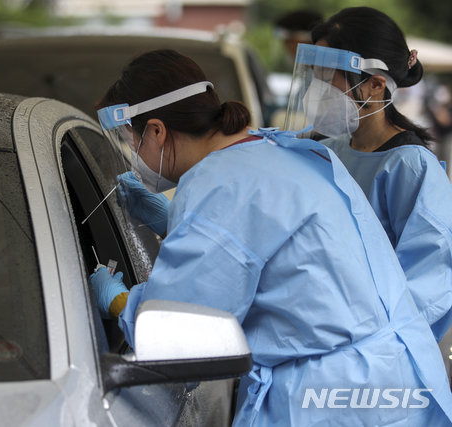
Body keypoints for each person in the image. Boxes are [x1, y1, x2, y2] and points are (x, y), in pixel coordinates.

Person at [90, 48, 452, 426]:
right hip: (391, 378)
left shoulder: (219, 187)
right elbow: (264, 247)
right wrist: (175, 223)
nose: (133, 152)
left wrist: (118, 303)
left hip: (336, 401)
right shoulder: (278, 150)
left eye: (131, 139)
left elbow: (182, 337)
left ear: (157, 130)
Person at [285, 6, 452, 342]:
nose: (316, 89)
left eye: (327, 76)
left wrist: (365, 339)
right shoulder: (326, 149)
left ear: (375, 85)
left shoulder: (409, 166)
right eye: (314, 75)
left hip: (370, 350)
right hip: (318, 333)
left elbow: (430, 282)